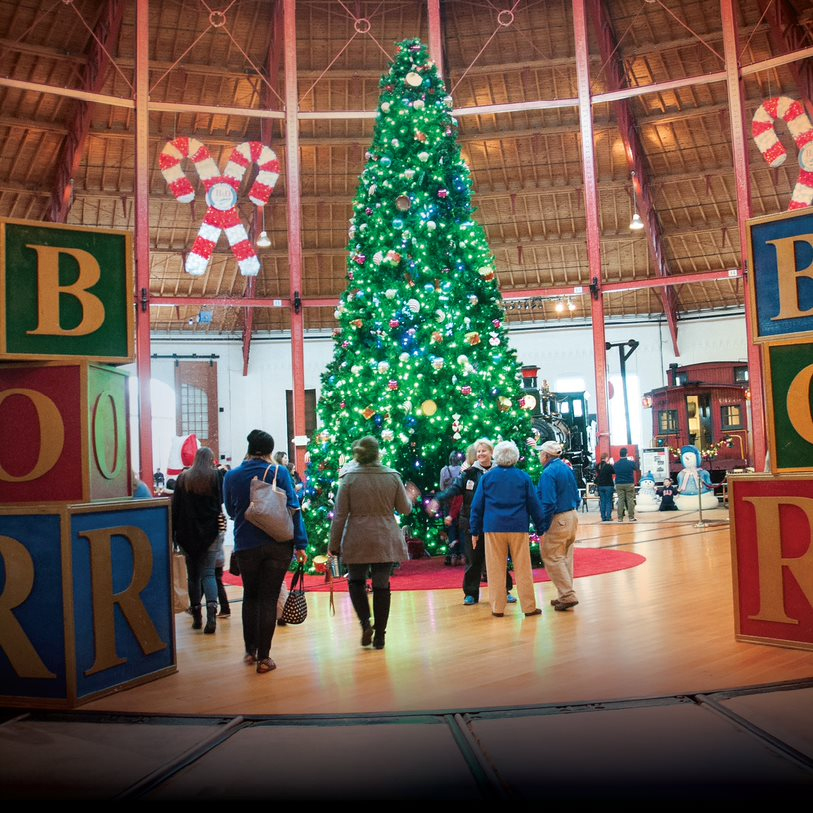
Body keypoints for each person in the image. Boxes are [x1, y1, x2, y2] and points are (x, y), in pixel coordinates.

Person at [224, 430, 308, 673]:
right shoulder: (279, 472)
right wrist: (301, 544)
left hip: (246, 544)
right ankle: (264, 658)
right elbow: (294, 507)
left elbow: (231, 509)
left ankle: (250, 651)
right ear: (270, 451)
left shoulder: (232, 476)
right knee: (269, 599)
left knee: (251, 596)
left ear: (249, 448)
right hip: (277, 544)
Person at [329, 436, 416, 650]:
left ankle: (365, 623)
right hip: (384, 536)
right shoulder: (392, 476)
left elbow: (340, 515)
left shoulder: (348, 479)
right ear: (378, 453)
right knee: (381, 585)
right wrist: (410, 497)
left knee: (356, 582)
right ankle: (380, 636)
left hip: (357, 537)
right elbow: (404, 509)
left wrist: (333, 545)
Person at [428, 439, 516, 606]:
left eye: (484, 450)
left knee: (498, 558)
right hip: (471, 523)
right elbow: (453, 490)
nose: (481, 454)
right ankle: (471, 593)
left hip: (495, 523)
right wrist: (438, 499)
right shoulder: (468, 473)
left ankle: (505, 590)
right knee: (473, 560)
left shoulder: (501, 471)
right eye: (478, 451)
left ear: (492, 453)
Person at [469, 441, 546, 618]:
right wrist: (541, 528)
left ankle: (497, 607)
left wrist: (475, 531)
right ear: (515, 456)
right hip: (518, 527)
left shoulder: (487, 478)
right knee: (523, 568)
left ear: (495, 455)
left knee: (495, 568)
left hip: (493, 528)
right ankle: (528, 607)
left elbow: (477, 506)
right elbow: (534, 504)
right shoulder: (523, 477)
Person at [171, 447, 224, 634]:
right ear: (210, 459)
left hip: (186, 534)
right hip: (210, 533)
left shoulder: (183, 478)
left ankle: (197, 617)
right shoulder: (216, 477)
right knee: (209, 574)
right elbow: (220, 504)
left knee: (193, 577)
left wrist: (173, 536)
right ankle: (211, 616)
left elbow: (175, 508)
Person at [537, 440, 581, 611]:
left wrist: (543, 525)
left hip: (558, 518)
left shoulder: (548, 473)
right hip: (572, 515)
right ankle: (564, 594)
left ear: (546, 455)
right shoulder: (565, 468)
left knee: (552, 556)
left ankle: (568, 595)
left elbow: (548, 502)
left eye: (541, 454)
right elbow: (576, 493)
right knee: (565, 556)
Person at [614, 447, 639, 522]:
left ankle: (620, 518)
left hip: (619, 484)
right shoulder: (631, 463)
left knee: (620, 500)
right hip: (629, 483)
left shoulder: (616, 464)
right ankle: (631, 517)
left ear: (620, 454)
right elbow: (637, 469)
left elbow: (614, 472)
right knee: (630, 500)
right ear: (627, 454)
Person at [595, 453, 615, 522]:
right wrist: (612, 464)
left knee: (602, 501)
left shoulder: (598, 466)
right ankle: (608, 517)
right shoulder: (608, 466)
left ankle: (603, 517)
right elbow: (613, 472)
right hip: (608, 485)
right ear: (606, 458)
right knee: (608, 501)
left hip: (600, 486)